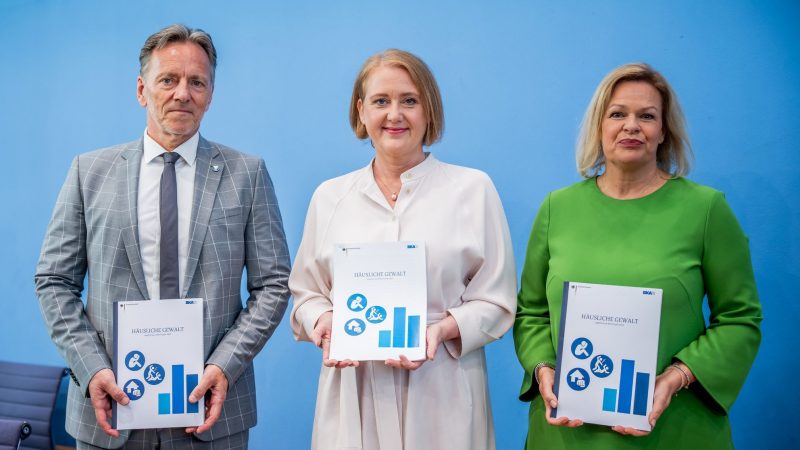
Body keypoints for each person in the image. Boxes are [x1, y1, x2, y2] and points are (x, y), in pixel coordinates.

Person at [34, 24, 291, 449]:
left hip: (213, 412)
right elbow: (53, 280)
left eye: (197, 82)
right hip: (111, 412)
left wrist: (225, 365)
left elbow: (274, 284)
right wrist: (92, 368)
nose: (182, 94)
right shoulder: (89, 172)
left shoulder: (247, 174)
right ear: (142, 89)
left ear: (211, 94)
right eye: (168, 80)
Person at [513, 63, 762, 449]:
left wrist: (676, 377)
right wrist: (543, 369)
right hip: (566, 432)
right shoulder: (556, 208)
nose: (631, 126)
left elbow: (739, 318)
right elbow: (530, 313)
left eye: (646, 116)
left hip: (673, 430)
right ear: (600, 125)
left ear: (664, 131)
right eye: (618, 114)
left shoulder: (706, 209)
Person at [289, 49, 517, 450]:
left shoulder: (472, 190)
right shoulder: (330, 197)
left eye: (409, 101)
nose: (394, 114)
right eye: (381, 101)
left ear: (429, 110)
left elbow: (497, 301)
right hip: (354, 387)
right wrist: (324, 322)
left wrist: (441, 330)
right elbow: (306, 294)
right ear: (361, 111)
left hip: (442, 384)